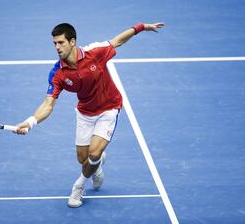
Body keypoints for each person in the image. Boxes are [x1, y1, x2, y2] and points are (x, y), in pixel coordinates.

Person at [15, 22, 164, 207]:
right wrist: (30, 122)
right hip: (85, 112)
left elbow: (117, 41)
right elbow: (48, 104)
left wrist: (141, 27)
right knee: (82, 159)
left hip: (109, 108)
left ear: (72, 41)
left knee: (94, 153)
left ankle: (79, 186)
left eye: (60, 42)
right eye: (54, 43)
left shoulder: (95, 52)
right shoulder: (57, 73)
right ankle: (97, 165)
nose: (57, 47)